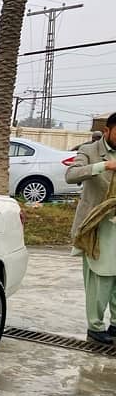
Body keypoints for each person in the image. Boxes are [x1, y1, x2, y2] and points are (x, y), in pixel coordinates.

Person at [66, 114, 116, 345]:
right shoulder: (90, 150)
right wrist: (104, 165)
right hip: (96, 226)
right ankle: (95, 327)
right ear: (107, 130)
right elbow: (71, 175)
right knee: (100, 278)